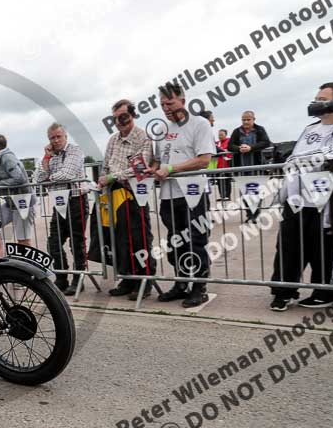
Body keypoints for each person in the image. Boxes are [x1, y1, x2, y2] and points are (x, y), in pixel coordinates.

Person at [269, 82, 333, 311]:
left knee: (324, 247)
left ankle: (327, 292)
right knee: (289, 245)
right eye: (316, 98)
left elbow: (332, 155)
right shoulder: (309, 128)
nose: (317, 103)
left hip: (326, 199)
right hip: (296, 198)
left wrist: (306, 160)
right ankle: (283, 291)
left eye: (323, 99)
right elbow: (294, 158)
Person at [151, 83, 216, 308]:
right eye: (162, 105)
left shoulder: (199, 124)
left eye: (169, 103)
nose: (166, 108)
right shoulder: (161, 130)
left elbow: (204, 159)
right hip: (169, 195)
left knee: (196, 241)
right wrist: (153, 169)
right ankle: (180, 283)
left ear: (182, 100)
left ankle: (199, 287)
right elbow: (158, 160)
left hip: (193, 193)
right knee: (174, 241)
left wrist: (171, 169)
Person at [97, 101, 156, 299]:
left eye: (123, 117)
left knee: (140, 239)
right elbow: (105, 166)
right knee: (121, 239)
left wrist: (113, 177)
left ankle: (145, 280)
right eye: (115, 118)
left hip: (134, 195)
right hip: (114, 195)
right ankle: (128, 279)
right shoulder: (113, 140)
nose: (119, 122)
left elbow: (140, 168)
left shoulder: (143, 137)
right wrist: (103, 181)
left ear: (132, 115)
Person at [32, 123, 87, 295]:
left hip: (76, 200)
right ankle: (61, 276)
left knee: (77, 243)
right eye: (52, 138)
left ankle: (79, 279)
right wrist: (46, 159)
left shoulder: (75, 151)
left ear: (65, 136)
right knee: (53, 242)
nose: (55, 141)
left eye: (58, 136)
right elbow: (38, 177)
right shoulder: (49, 155)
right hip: (58, 203)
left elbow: (67, 173)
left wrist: (50, 178)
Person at [0, 133, 36, 258]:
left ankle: (28, 270)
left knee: (23, 240)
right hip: (10, 203)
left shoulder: (7, 157)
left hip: (23, 202)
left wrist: (0, 185)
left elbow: (19, 178)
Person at [214, 129, 232, 200]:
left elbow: (228, 151)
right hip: (218, 165)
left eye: (221, 135)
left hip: (226, 165)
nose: (220, 136)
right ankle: (222, 196)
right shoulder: (217, 143)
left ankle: (227, 196)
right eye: (219, 135)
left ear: (225, 135)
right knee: (219, 181)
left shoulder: (229, 141)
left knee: (227, 181)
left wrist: (223, 150)